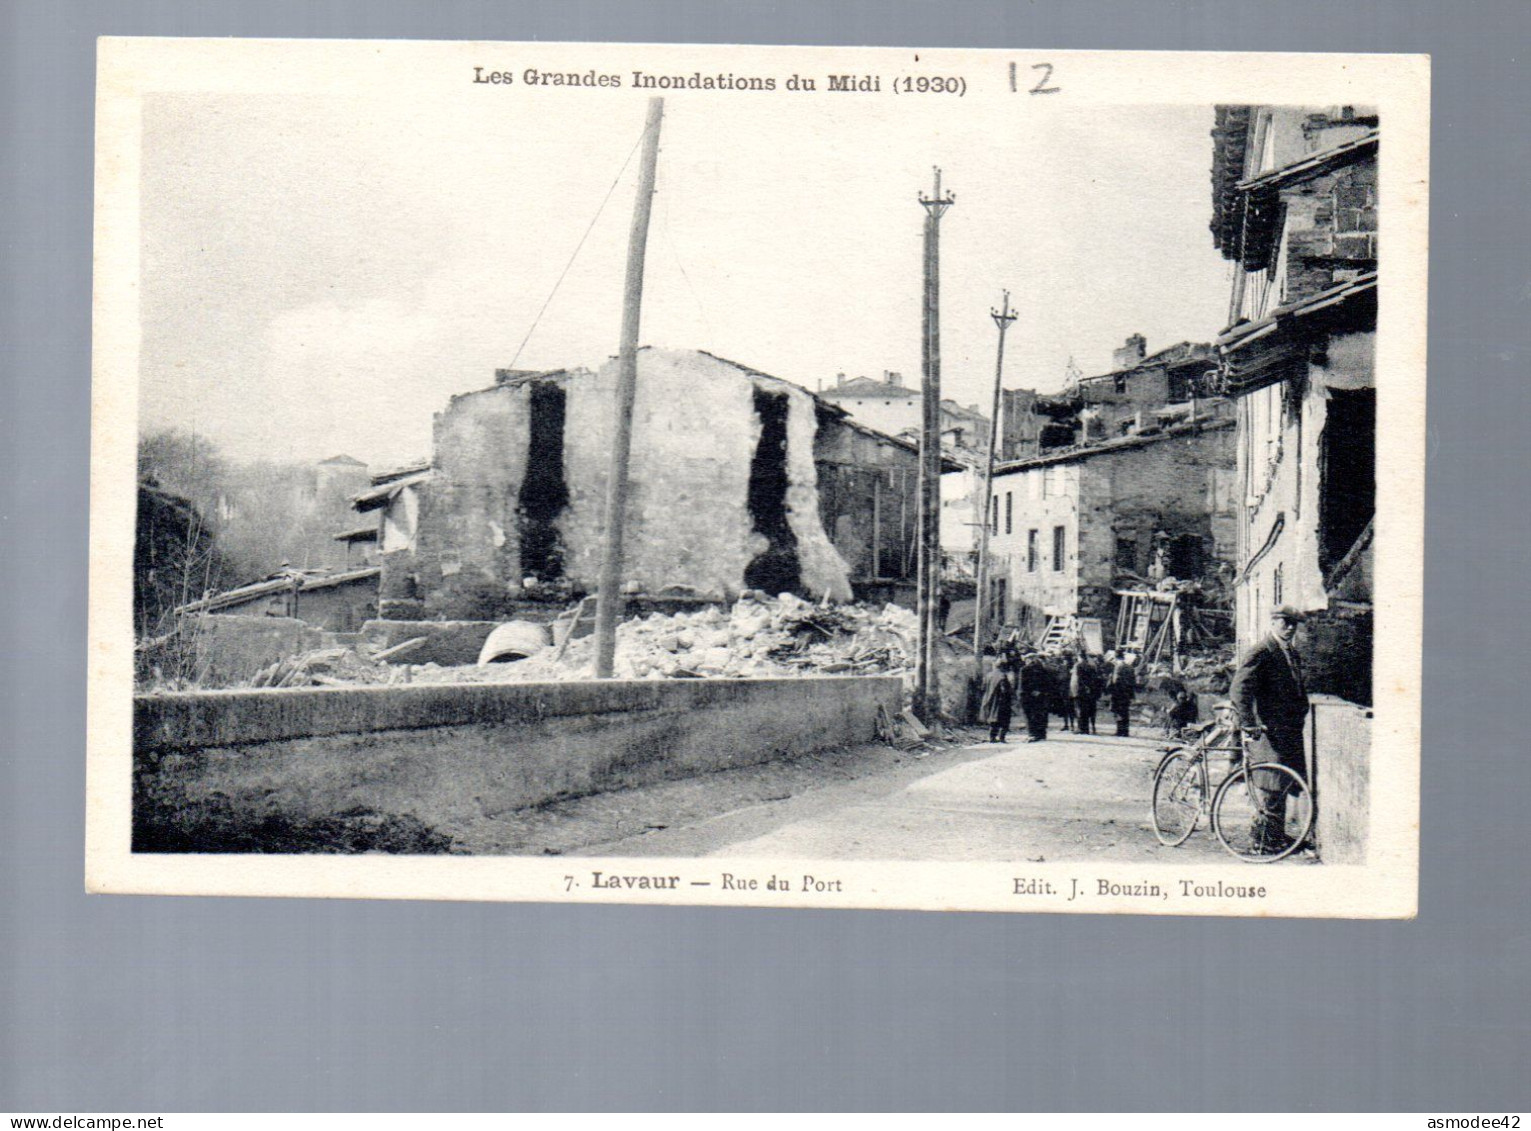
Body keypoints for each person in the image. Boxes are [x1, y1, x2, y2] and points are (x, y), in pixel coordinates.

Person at [1230, 605, 1312, 853]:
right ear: (1273, 622)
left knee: (1284, 783)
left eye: (1293, 624)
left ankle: (1275, 836)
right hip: (1268, 730)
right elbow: (1239, 689)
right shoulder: (1262, 651)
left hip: (1288, 731)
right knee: (1270, 784)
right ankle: (1263, 841)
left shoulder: (1291, 653)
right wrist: (1248, 723)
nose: (1289, 628)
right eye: (1284, 622)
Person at [1019, 650, 1054, 742]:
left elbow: (1022, 684)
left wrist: (1026, 693)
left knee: (1028, 715)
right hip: (1041, 695)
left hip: (1027, 695)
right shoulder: (1043, 669)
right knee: (1039, 714)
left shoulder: (1024, 669)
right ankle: (1041, 734)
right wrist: (1040, 691)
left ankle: (1032, 734)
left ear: (1028, 659)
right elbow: (1047, 683)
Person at [978, 657, 1016, 743]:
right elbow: (1004, 690)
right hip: (1001, 701)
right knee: (1004, 719)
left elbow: (983, 688)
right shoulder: (1003, 676)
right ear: (1003, 667)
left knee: (993, 719)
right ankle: (1002, 737)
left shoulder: (988, 675)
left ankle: (992, 737)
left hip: (989, 700)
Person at [1107, 651, 1137, 736]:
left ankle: (1120, 730)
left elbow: (1116, 680)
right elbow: (1133, 682)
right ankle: (1126, 731)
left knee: (1118, 711)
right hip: (1127, 693)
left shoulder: (1118, 667)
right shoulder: (1130, 668)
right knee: (1125, 711)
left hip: (1118, 692)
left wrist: (1111, 688)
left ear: (1116, 658)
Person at [1071, 652, 1102, 736]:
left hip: (1079, 691)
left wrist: (1083, 687)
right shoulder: (1091, 666)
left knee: (1080, 710)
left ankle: (1082, 728)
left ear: (1079, 657)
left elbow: (1079, 678)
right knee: (1086, 710)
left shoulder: (1078, 665)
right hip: (1089, 692)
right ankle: (1086, 728)